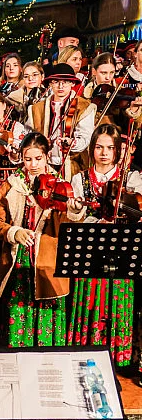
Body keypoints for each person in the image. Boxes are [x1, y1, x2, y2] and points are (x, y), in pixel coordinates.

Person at [0, 133, 71, 347]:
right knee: (19, 316)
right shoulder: (11, 185)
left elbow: (67, 228)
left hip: (48, 262)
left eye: (38, 159)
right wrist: (14, 232)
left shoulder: (60, 186)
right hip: (19, 262)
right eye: (28, 159)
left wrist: (72, 210)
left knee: (47, 319)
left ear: (46, 157)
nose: (33, 165)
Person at [67, 124, 141, 366]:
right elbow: (72, 217)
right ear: (92, 149)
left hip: (120, 252)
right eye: (99, 147)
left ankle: (115, 357)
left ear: (118, 150)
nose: (104, 153)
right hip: (90, 250)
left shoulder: (131, 177)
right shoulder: (79, 178)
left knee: (116, 301)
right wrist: (77, 209)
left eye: (110, 148)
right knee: (90, 300)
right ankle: (88, 353)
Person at [26, 63, 95, 180]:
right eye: (56, 82)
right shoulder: (36, 108)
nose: (61, 86)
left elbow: (85, 138)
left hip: (72, 165)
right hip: (43, 166)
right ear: (50, 83)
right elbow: (29, 137)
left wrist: (71, 143)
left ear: (72, 83)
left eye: (66, 82)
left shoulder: (84, 107)